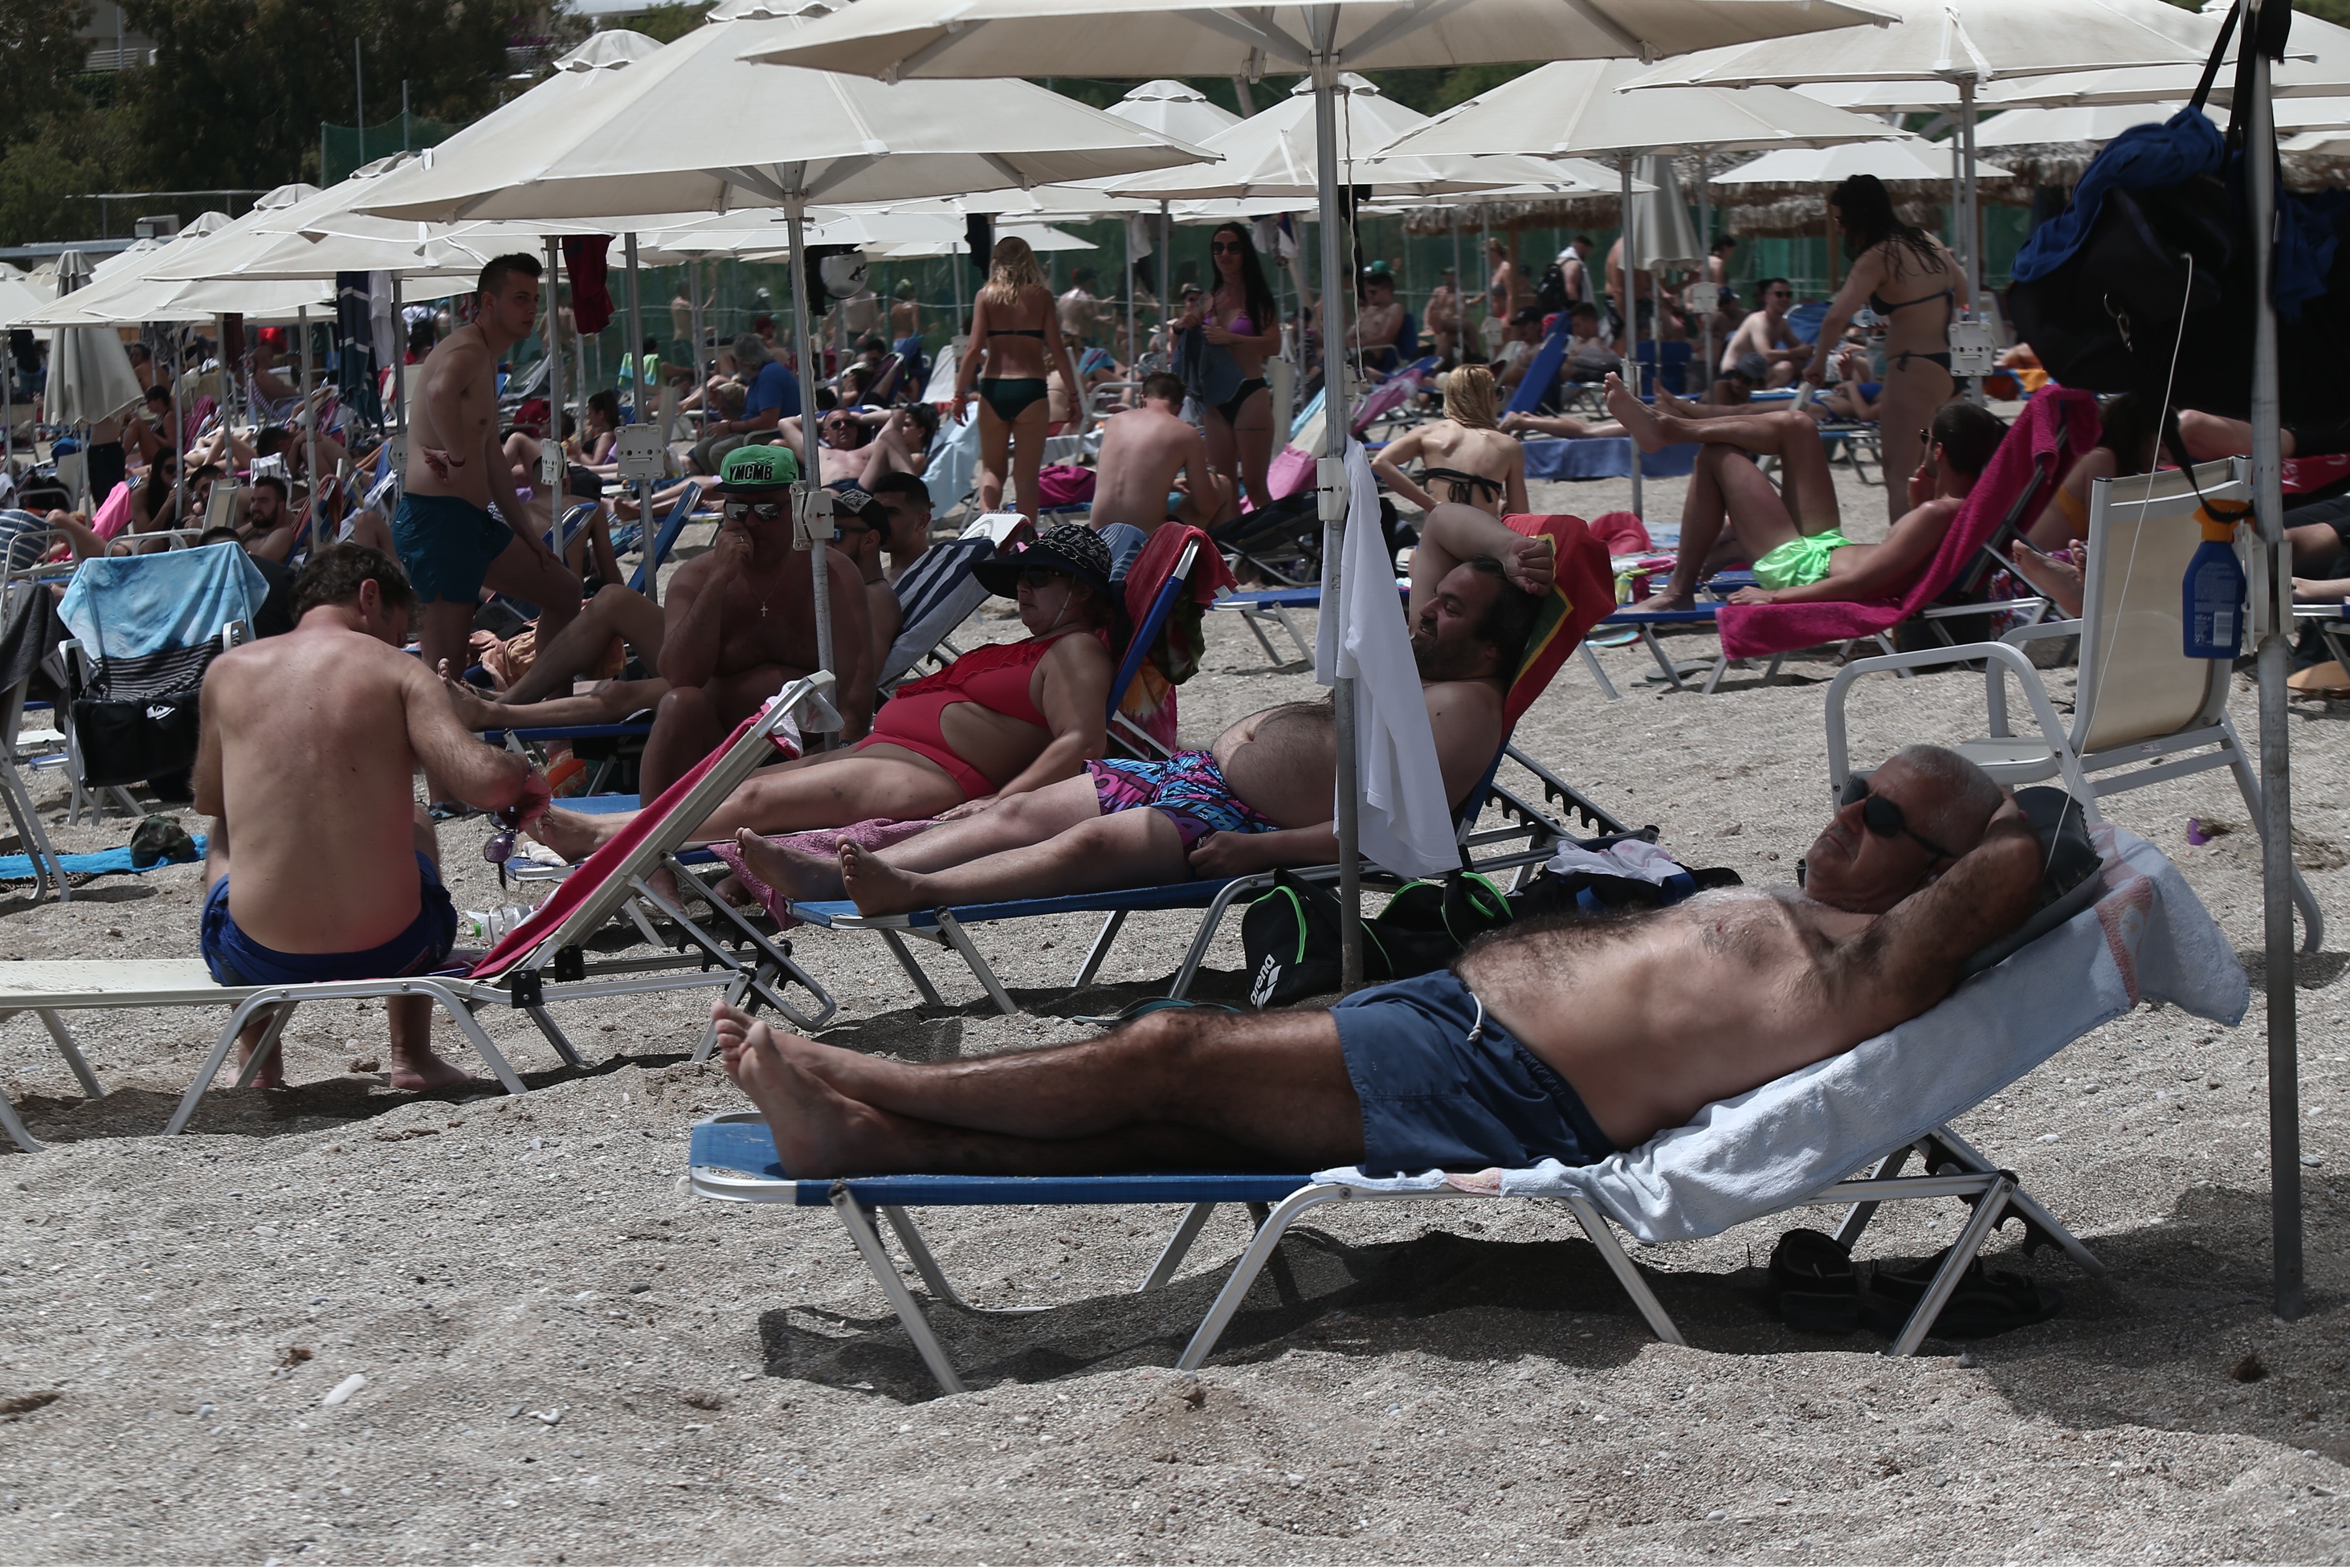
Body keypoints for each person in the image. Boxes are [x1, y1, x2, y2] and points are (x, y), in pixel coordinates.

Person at [714, 745, 2037, 1178]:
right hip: (1456, 1029)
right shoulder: (1806, 911)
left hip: (1504, 1085)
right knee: (1182, 1126)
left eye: (1883, 817)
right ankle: (867, 1140)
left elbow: (2024, 856)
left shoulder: (1867, 966)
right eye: (1854, 788)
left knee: (1167, 1048)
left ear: (1935, 872)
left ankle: (854, 1075)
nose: (1846, 816)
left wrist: (2021, 821)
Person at [735, 504, 1549, 915]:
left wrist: (1261, 851)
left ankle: (918, 891)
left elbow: (1394, 829)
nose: (1425, 609)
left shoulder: (1463, 710)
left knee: (1086, 843)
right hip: (1195, 778)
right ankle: (832, 872)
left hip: (1243, 825)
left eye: (1449, 609)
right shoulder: (1425, 656)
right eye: (1436, 597)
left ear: (1488, 650)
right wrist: (1509, 549)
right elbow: (1441, 528)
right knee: (1016, 811)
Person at [525, 522, 1120, 862]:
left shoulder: (1076, 650)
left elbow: (1083, 740)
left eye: (1039, 578)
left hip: (938, 774)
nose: (1023, 590)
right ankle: (623, 830)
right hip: (892, 752)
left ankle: (600, 840)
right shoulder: (1029, 647)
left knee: (755, 802)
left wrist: (1001, 803)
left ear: (1084, 591)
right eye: (1020, 578)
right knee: (735, 786)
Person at [194, 544, 550, 1092]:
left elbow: (208, 798)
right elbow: (485, 784)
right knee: (416, 817)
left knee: (225, 828)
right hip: (398, 947)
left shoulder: (227, 672)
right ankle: (412, 1057)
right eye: (397, 630)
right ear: (369, 596)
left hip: (257, 955)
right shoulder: (398, 670)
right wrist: (520, 770)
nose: (398, 644)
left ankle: (258, 1058)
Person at [625, 444, 873, 800]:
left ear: (797, 506)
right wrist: (718, 582)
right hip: (719, 753)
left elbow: (857, 688)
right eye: (738, 510)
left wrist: (841, 754)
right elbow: (679, 676)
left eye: (768, 510)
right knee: (680, 703)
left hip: (812, 755)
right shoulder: (696, 577)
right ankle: (648, 828)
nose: (752, 523)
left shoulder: (829, 573)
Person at [1615, 388, 2005, 611]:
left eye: (1926, 437)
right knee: (1798, 425)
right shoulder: (1961, 508)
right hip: (1826, 549)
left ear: (1938, 451)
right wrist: (1919, 501)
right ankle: (1672, 429)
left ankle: (1678, 591)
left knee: (1715, 456)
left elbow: (1859, 584)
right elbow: (1907, 564)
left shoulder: (1937, 513)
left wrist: (1775, 596)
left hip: (1800, 570)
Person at [395, 254, 584, 708]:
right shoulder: (469, 350)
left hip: (472, 523)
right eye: (520, 298)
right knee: (445, 675)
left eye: (534, 299)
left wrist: (528, 535)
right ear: (488, 303)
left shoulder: (485, 357)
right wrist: (456, 453)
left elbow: (494, 460)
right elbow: (438, 392)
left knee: (564, 592)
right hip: (438, 522)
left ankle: (548, 723)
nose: (531, 309)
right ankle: (445, 751)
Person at [1805, 174, 1971, 525]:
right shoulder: (1926, 240)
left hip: (1914, 373)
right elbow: (1963, 292)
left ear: (1859, 216)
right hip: (1949, 372)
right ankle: (1943, 549)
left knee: (1899, 475)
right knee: (1932, 467)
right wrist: (1910, 312)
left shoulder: (1878, 256)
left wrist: (1818, 362)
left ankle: (1905, 556)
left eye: (1841, 219)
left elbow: (1836, 317)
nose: (1838, 228)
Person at [954, 236, 1082, 525]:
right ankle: (1025, 540)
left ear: (996, 261)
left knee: (992, 471)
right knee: (1026, 476)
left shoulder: (985, 296)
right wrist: (1074, 397)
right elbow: (1058, 351)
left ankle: (989, 532)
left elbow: (973, 350)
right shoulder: (1042, 297)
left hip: (994, 387)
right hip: (1031, 388)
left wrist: (959, 395)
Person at [1178, 222, 1285, 512]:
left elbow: (1273, 345)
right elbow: (1182, 335)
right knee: (1223, 486)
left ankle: (1277, 541)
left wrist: (1231, 338)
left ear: (1245, 253)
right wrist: (1183, 325)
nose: (1225, 254)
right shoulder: (1209, 298)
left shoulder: (1258, 297)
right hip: (1216, 400)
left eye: (1233, 248)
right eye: (1218, 248)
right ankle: (1232, 541)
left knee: (1255, 485)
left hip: (1249, 393)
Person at [1371, 364, 1528, 518]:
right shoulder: (1508, 446)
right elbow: (1521, 516)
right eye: (1498, 393)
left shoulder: (1427, 433)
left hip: (1439, 528)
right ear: (1488, 398)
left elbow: (1381, 462)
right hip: (1481, 530)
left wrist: (1431, 505)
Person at [1088, 371, 1222, 534]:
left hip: (1099, 536)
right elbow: (1207, 508)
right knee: (1224, 486)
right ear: (1179, 408)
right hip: (1145, 540)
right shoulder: (1186, 433)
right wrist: (1211, 472)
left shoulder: (1114, 421)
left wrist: (1168, 485)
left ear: (1143, 399)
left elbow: (1119, 478)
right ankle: (1225, 547)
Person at [696, 331, 801, 475]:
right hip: (757, 432)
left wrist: (729, 427)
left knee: (719, 452)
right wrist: (724, 402)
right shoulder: (758, 377)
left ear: (745, 362)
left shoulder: (770, 376)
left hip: (772, 435)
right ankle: (717, 484)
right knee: (702, 448)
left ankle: (737, 487)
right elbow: (749, 416)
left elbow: (768, 422)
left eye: (735, 360)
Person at [1720, 277, 1804, 386]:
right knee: (1785, 368)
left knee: (1800, 364)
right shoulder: (1758, 321)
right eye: (1779, 295)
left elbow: (1801, 349)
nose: (1785, 299)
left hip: (1755, 374)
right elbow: (1765, 356)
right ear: (1767, 298)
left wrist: (1813, 352)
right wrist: (1797, 352)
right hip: (1735, 376)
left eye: (1788, 295)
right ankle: (1758, 396)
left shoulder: (1782, 324)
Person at [1355, 265, 1405, 372]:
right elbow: (1353, 333)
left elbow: (1386, 337)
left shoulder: (1394, 309)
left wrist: (1359, 344)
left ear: (1386, 292)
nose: (1369, 295)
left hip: (1368, 354)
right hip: (1356, 351)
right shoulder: (1370, 310)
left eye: (1373, 292)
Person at [1058, 268, 1103, 347]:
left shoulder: (1063, 298)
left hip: (1063, 338)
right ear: (1090, 281)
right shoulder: (1084, 298)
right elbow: (1095, 320)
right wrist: (1114, 319)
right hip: (1080, 342)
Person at [1427, 268, 1462, 364]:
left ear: (1455, 277)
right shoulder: (1438, 292)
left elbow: (1462, 312)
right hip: (1438, 328)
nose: (1445, 277)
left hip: (1451, 330)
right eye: (1445, 275)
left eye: (1448, 275)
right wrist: (1427, 323)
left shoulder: (1459, 294)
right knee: (1437, 354)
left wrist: (1456, 319)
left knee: (1453, 357)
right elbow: (1429, 308)